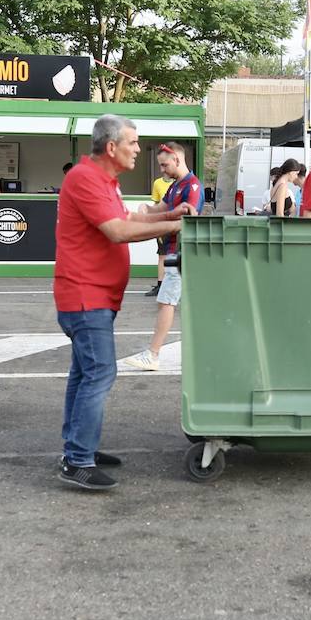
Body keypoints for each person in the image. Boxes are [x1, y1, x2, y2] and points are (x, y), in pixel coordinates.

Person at [54, 115, 191, 490]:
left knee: (84, 374)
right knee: (99, 374)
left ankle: (78, 446)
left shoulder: (102, 180)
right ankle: (77, 459)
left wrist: (169, 213)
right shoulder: (84, 179)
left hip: (92, 296)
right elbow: (117, 231)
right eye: (133, 142)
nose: (138, 149)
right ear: (111, 147)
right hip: (85, 296)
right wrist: (174, 226)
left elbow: (127, 215)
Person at [121, 142, 204, 372]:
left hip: (181, 253)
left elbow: (187, 221)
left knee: (166, 302)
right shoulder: (177, 185)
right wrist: (145, 211)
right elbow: (160, 209)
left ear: (177, 159)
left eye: (164, 164)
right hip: (176, 253)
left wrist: (147, 219)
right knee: (173, 303)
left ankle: (154, 354)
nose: (162, 170)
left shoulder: (192, 186)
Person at [145, 167, 178, 296]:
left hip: (175, 223)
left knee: (176, 256)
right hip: (162, 223)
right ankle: (160, 285)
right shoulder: (157, 183)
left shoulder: (178, 184)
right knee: (162, 255)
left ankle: (174, 286)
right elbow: (156, 204)